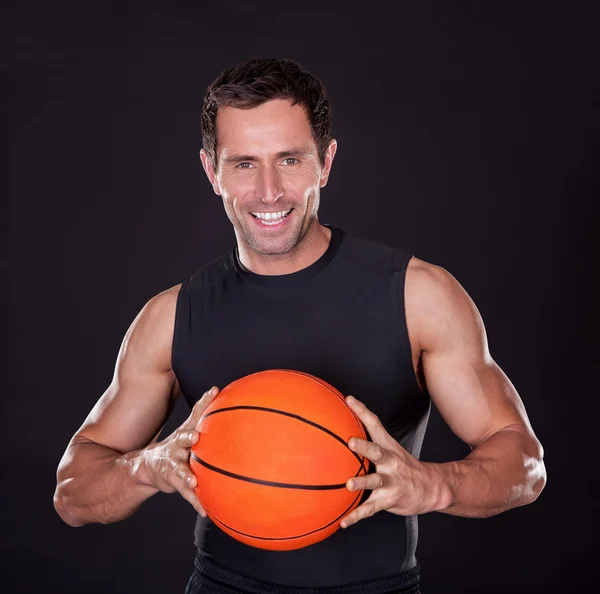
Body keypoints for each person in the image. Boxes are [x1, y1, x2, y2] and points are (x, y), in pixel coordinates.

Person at [53, 58, 547, 594]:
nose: (269, 191)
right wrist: (146, 467)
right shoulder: (172, 316)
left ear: (326, 162)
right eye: (243, 164)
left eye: (289, 160)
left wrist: (436, 484)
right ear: (211, 171)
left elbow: (524, 462)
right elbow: (73, 492)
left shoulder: (418, 296)